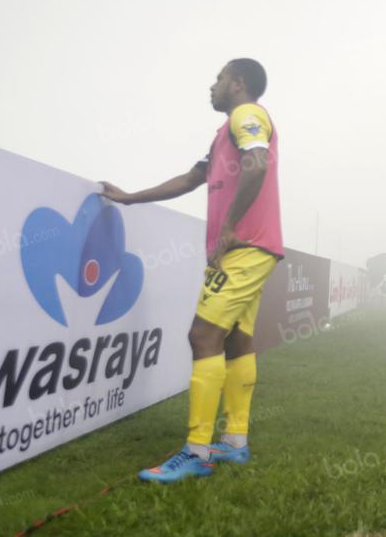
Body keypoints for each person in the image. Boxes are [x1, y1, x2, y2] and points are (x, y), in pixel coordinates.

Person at [100, 57, 285, 482]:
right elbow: (189, 179)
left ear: (237, 83)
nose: (213, 85)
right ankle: (234, 443)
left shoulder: (247, 114)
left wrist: (230, 229)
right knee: (237, 340)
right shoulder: (224, 133)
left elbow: (257, 164)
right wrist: (130, 198)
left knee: (202, 336)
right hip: (253, 248)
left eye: (219, 78)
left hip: (244, 247)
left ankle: (196, 451)